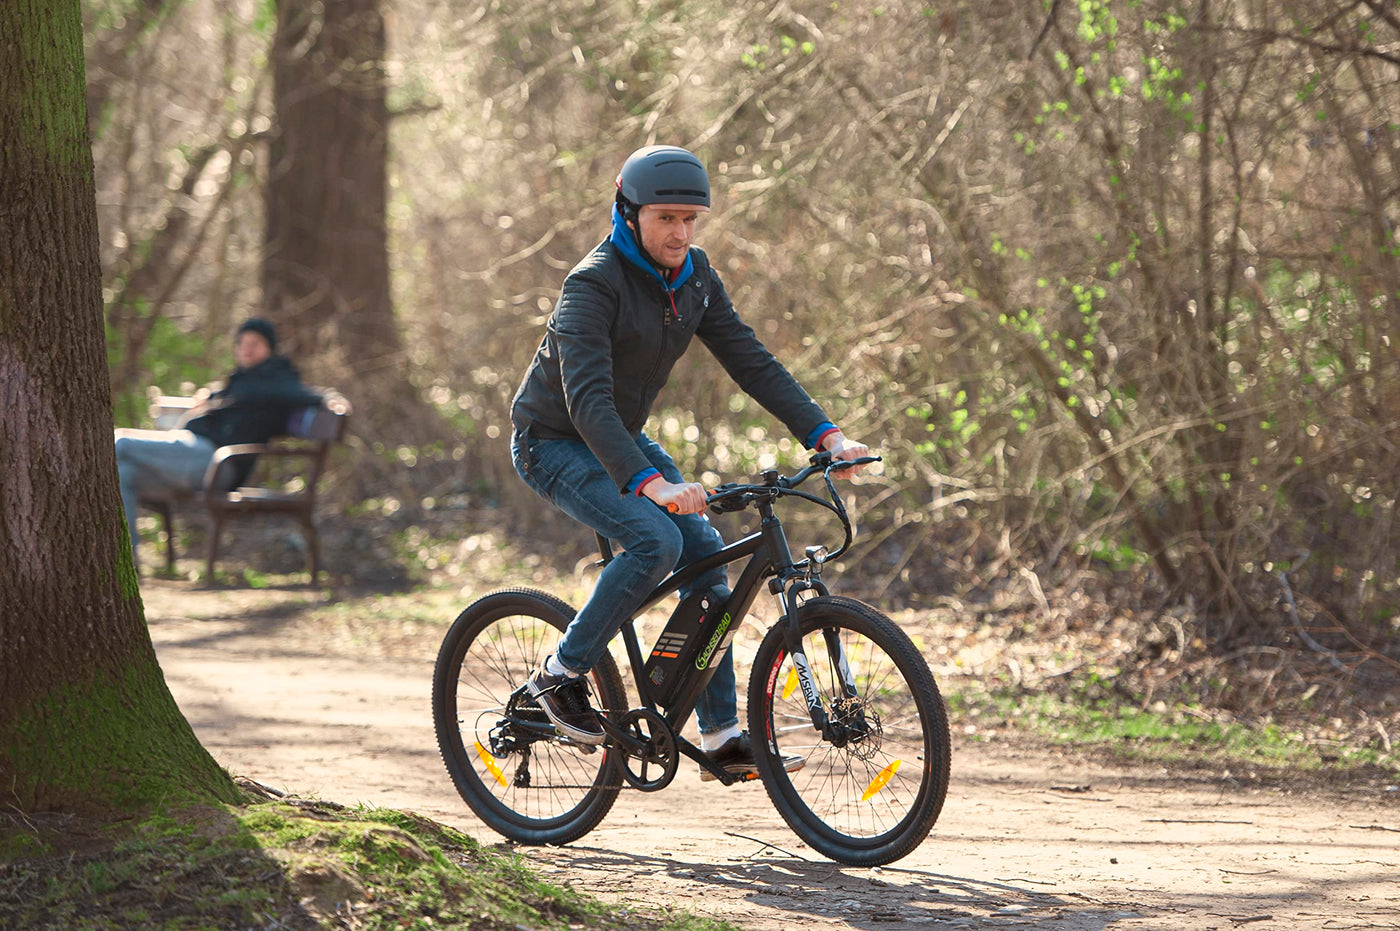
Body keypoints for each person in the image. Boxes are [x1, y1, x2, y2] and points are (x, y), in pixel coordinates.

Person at [508, 144, 869, 780]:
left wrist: (825, 436)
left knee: (707, 565)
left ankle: (722, 734)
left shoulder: (695, 277)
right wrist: (652, 485)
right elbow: (586, 401)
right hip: (554, 441)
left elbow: (751, 361)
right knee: (654, 542)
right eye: (665, 218)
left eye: (689, 220)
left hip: (619, 434)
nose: (679, 233)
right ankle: (558, 677)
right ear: (629, 212)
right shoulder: (591, 286)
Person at [114, 317, 322, 567]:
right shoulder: (240, 380)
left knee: (121, 442)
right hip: (198, 455)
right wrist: (211, 399)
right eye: (242, 342)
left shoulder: (276, 379)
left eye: (255, 343)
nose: (247, 348)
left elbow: (306, 396)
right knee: (122, 473)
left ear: (270, 348)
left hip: (217, 462)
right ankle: (124, 562)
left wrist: (331, 400)